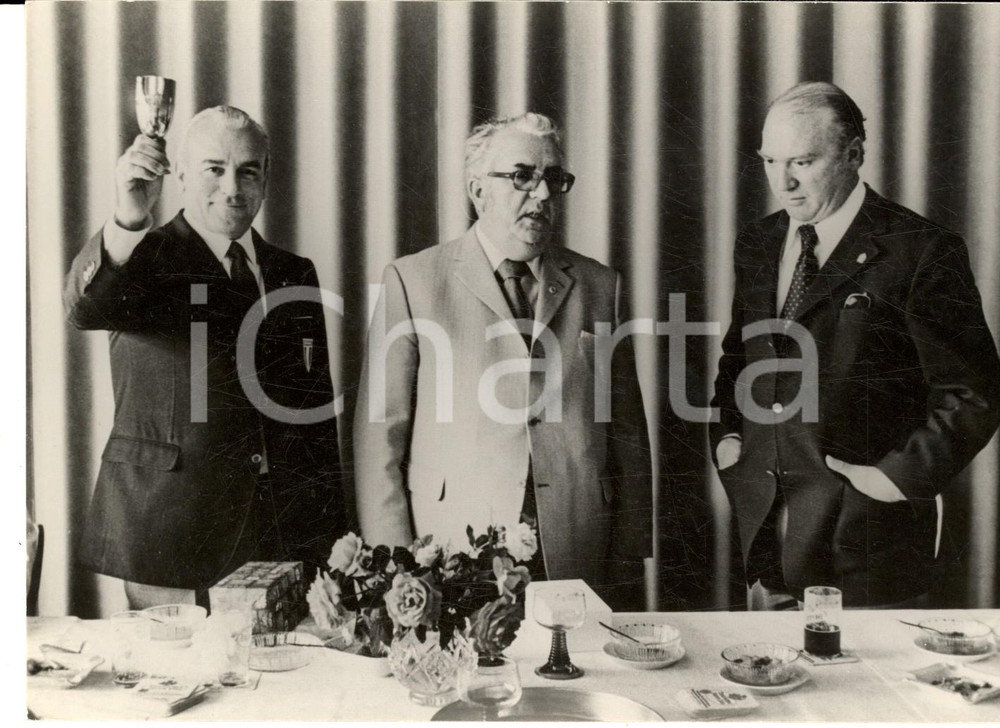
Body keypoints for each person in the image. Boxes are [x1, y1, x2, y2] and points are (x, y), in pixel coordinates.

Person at [711, 82, 1000, 609]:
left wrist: (894, 479)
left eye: (803, 161)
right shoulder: (757, 242)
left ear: (854, 155)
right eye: (771, 161)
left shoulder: (921, 250)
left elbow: (973, 392)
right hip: (767, 538)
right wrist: (730, 438)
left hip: (868, 543)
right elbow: (739, 358)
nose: (785, 182)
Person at [353, 113, 652, 610]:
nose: (541, 195)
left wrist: (628, 557)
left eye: (553, 179)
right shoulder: (413, 281)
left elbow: (627, 435)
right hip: (450, 552)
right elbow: (378, 440)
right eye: (521, 177)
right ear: (477, 191)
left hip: (576, 547)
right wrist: (397, 567)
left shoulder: (601, 286)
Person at [64, 106, 345, 609]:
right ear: (181, 174)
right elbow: (86, 308)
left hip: (277, 533)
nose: (232, 188)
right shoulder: (141, 256)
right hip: (169, 532)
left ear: (266, 176)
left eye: (248, 170)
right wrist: (128, 217)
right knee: (179, 681)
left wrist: (331, 539)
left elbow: (313, 412)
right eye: (214, 168)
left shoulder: (293, 271)